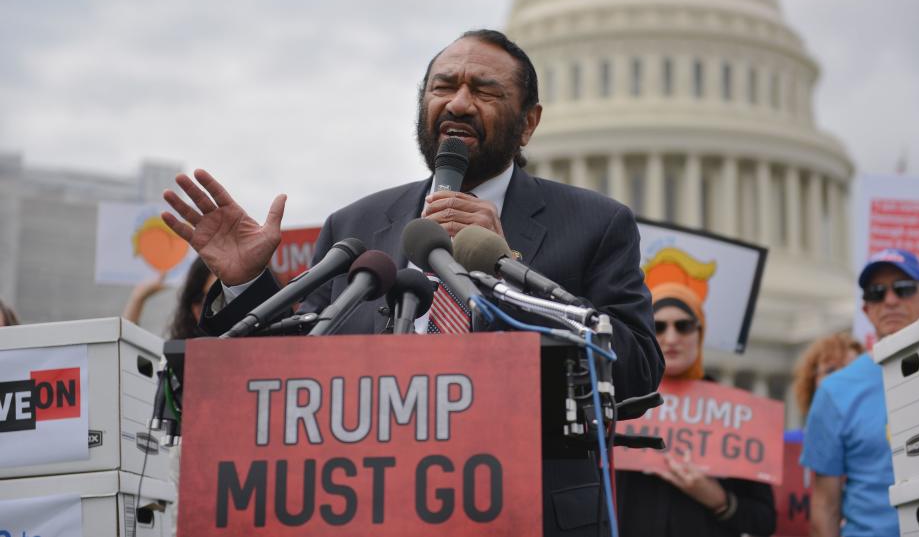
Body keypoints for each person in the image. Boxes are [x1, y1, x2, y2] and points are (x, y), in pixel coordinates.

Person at [161, 28, 664, 536]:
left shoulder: (596, 224)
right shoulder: (354, 225)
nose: (459, 103)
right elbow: (293, 375)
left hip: (527, 512)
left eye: (485, 90)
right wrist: (249, 283)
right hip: (366, 508)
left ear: (528, 123)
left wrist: (504, 262)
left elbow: (638, 368)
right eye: (442, 87)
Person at [617, 282, 776, 536]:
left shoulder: (736, 413)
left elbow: (764, 520)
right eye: (658, 327)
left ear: (700, 334)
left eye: (684, 326)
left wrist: (718, 499)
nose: (671, 338)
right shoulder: (619, 399)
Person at [801, 248, 919, 537]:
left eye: (903, 288)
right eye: (876, 293)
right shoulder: (835, 391)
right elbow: (824, 506)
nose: (889, 300)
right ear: (867, 310)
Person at [792, 332, 863, 420]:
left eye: (850, 369)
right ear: (811, 381)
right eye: (830, 370)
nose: (842, 377)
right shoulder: (781, 434)